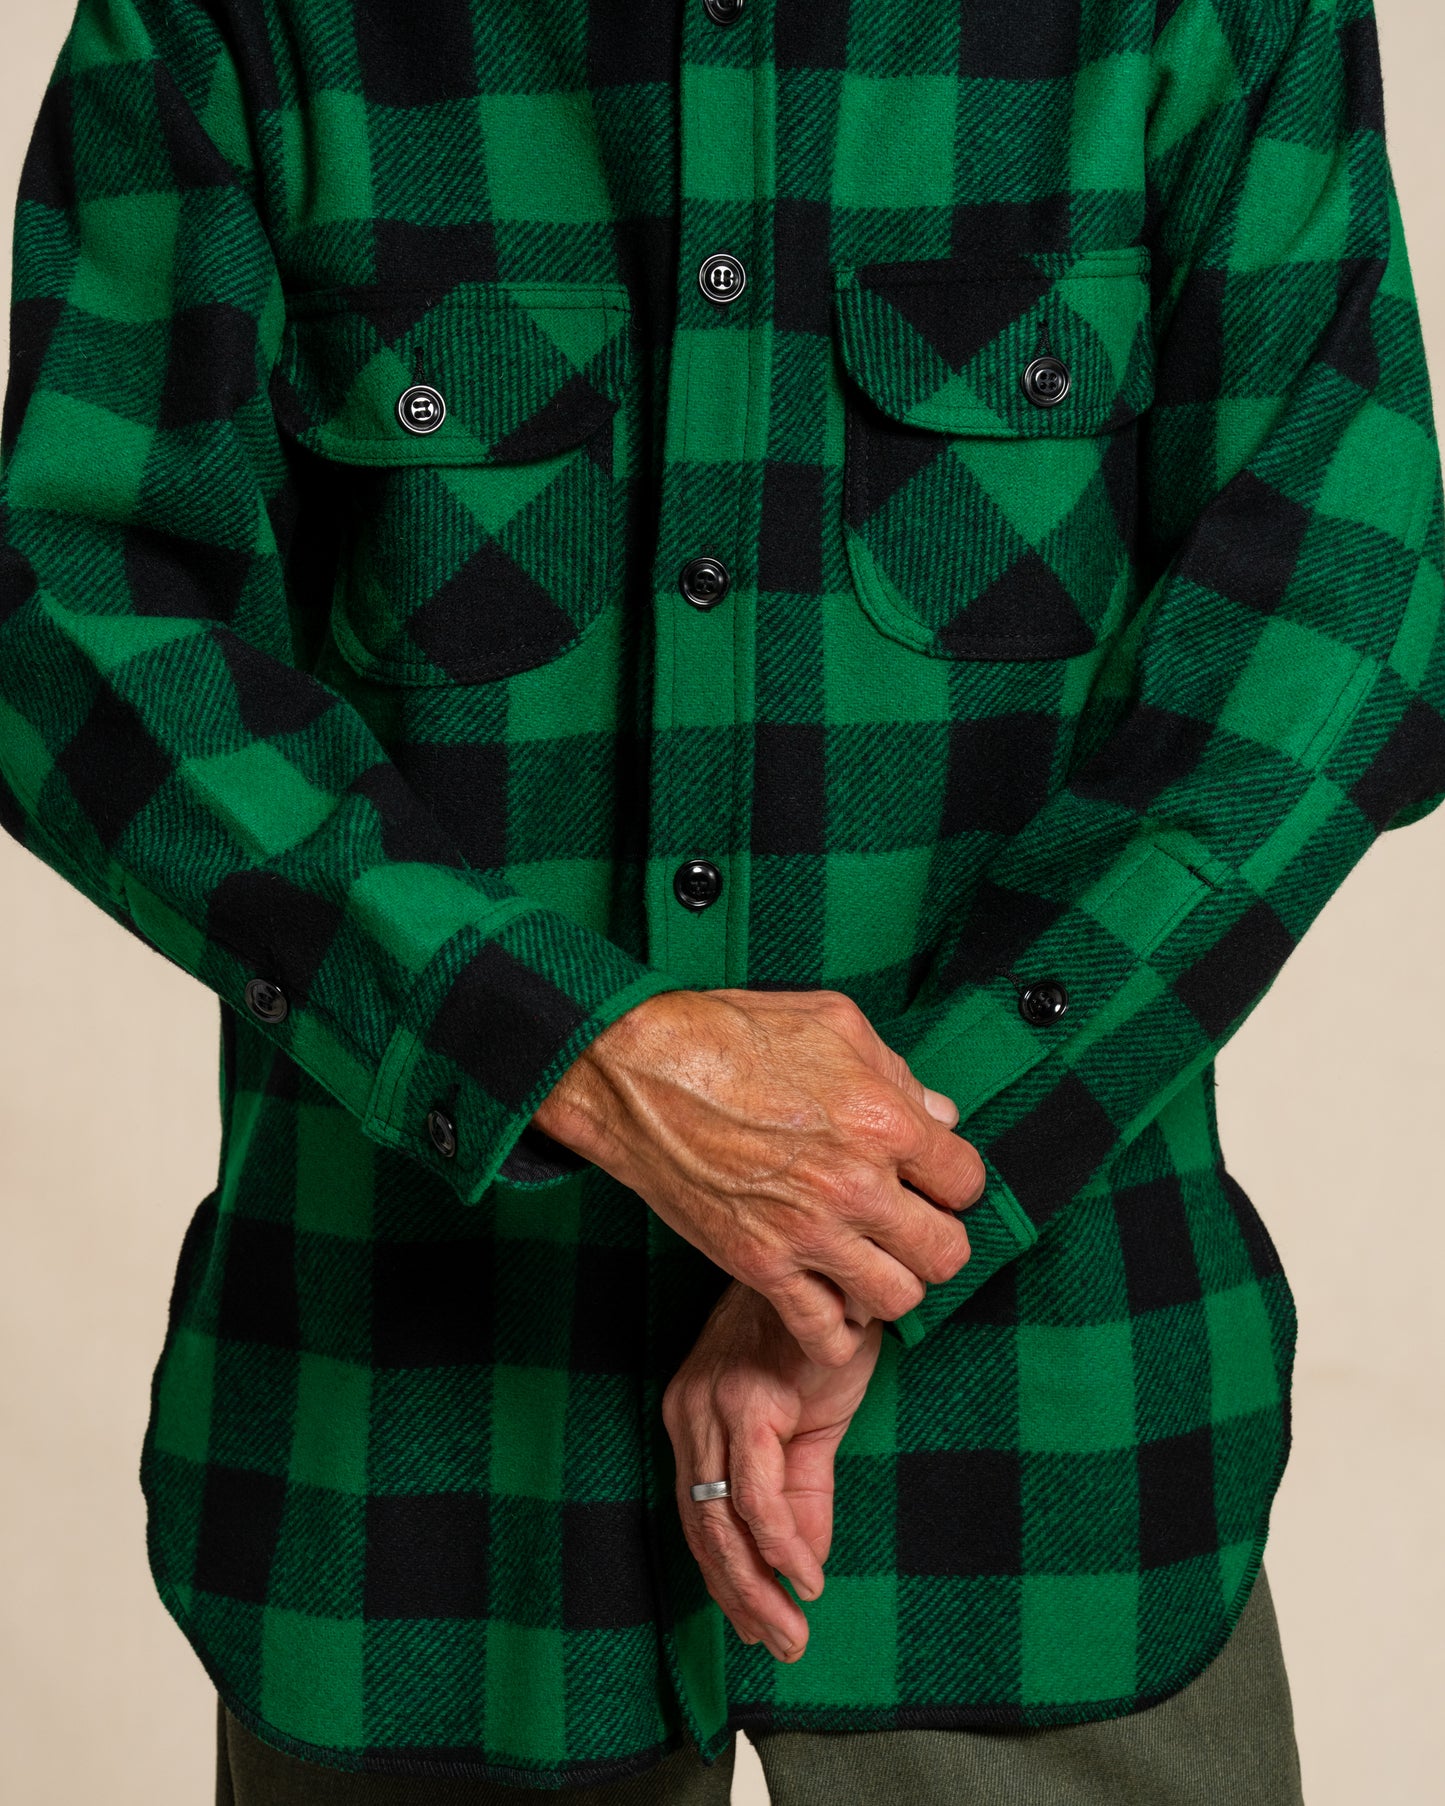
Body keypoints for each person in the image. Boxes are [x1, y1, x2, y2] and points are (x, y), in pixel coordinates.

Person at [3, 0, 1442, 1800]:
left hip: (1039, 1454)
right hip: (423, 1474)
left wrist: (873, 1209)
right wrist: (584, 1054)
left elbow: (1331, 643)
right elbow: (79, 621)